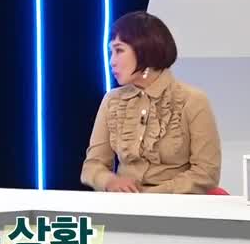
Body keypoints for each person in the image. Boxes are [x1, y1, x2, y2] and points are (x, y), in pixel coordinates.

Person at [81, 11, 221, 194]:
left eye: (119, 51)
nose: (111, 61)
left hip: (177, 205)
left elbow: (206, 173)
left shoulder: (192, 100)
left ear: (144, 50)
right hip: (124, 204)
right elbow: (92, 165)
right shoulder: (112, 101)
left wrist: (150, 196)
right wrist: (110, 181)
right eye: (111, 52)